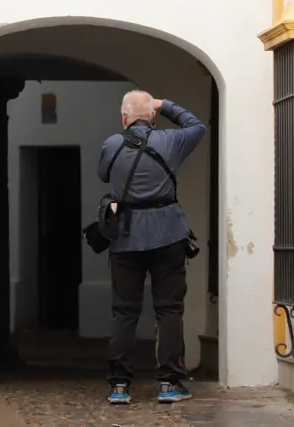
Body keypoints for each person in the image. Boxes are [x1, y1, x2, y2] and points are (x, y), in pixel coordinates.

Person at [98, 89, 207, 405]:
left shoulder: (111, 145)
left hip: (126, 237)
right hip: (168, 234)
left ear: (123, 117)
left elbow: (103, 174)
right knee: (169, 309)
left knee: (124, 312)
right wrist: (166, 105)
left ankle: (119, 385)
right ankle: (170, 383)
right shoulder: (171, 142)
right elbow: (197, 126)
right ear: (153, 115)